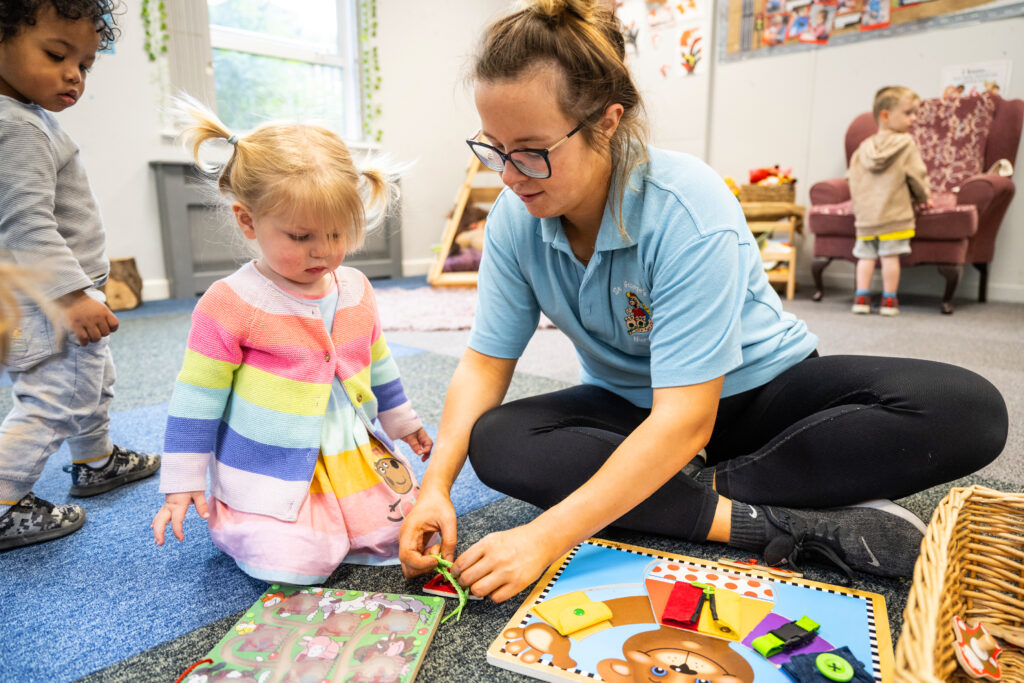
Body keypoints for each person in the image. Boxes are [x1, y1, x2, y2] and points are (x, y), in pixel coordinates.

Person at [398, 0, 1007, 602]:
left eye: (530, 150)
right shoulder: (514, 218)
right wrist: (436, 487)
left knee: (967, 409)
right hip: (636, 408)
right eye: (492, 147)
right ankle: (770, 517)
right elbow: (484, 363)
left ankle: (692, 496)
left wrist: (546, 534)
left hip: (759, 398)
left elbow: (688, 419)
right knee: (497, 440)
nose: (508, 174)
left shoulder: (685, 205)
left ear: (606, 123)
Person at [150, 100, 433, 585]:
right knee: (293, 563)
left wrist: (402, 420)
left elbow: (377, 360)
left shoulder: (357, 288)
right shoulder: (229, 303)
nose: (323, 250)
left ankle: (349, 519)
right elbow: (196, 398)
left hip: (350, 452)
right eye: (301, 236)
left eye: (338, 233)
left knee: (404, 532)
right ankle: (265, 528)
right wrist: (182, 483)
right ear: (247, 221)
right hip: (270, 466)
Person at [0, 0, 160, 552]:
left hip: (56, 293)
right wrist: (71, 296)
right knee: (53, 398)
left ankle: (95, 462)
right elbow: (25, 226)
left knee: (90, 382)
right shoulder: (14, 127)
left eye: (86, 64)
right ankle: (2, 502)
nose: (74, 74)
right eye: (56, 53)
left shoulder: (28, 118)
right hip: (51, 299)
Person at [848, 86, 931, 316]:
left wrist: (861, 205)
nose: (914, 118)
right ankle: (889, 301)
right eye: (908, 113)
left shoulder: (863, 148)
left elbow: (851, 177)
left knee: (865, 257)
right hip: (894, 215)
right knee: (889, 257)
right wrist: (924, 197)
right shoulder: (906, 144)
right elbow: (917, 176)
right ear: (885, 115)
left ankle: (861, 298)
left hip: (866, 217)